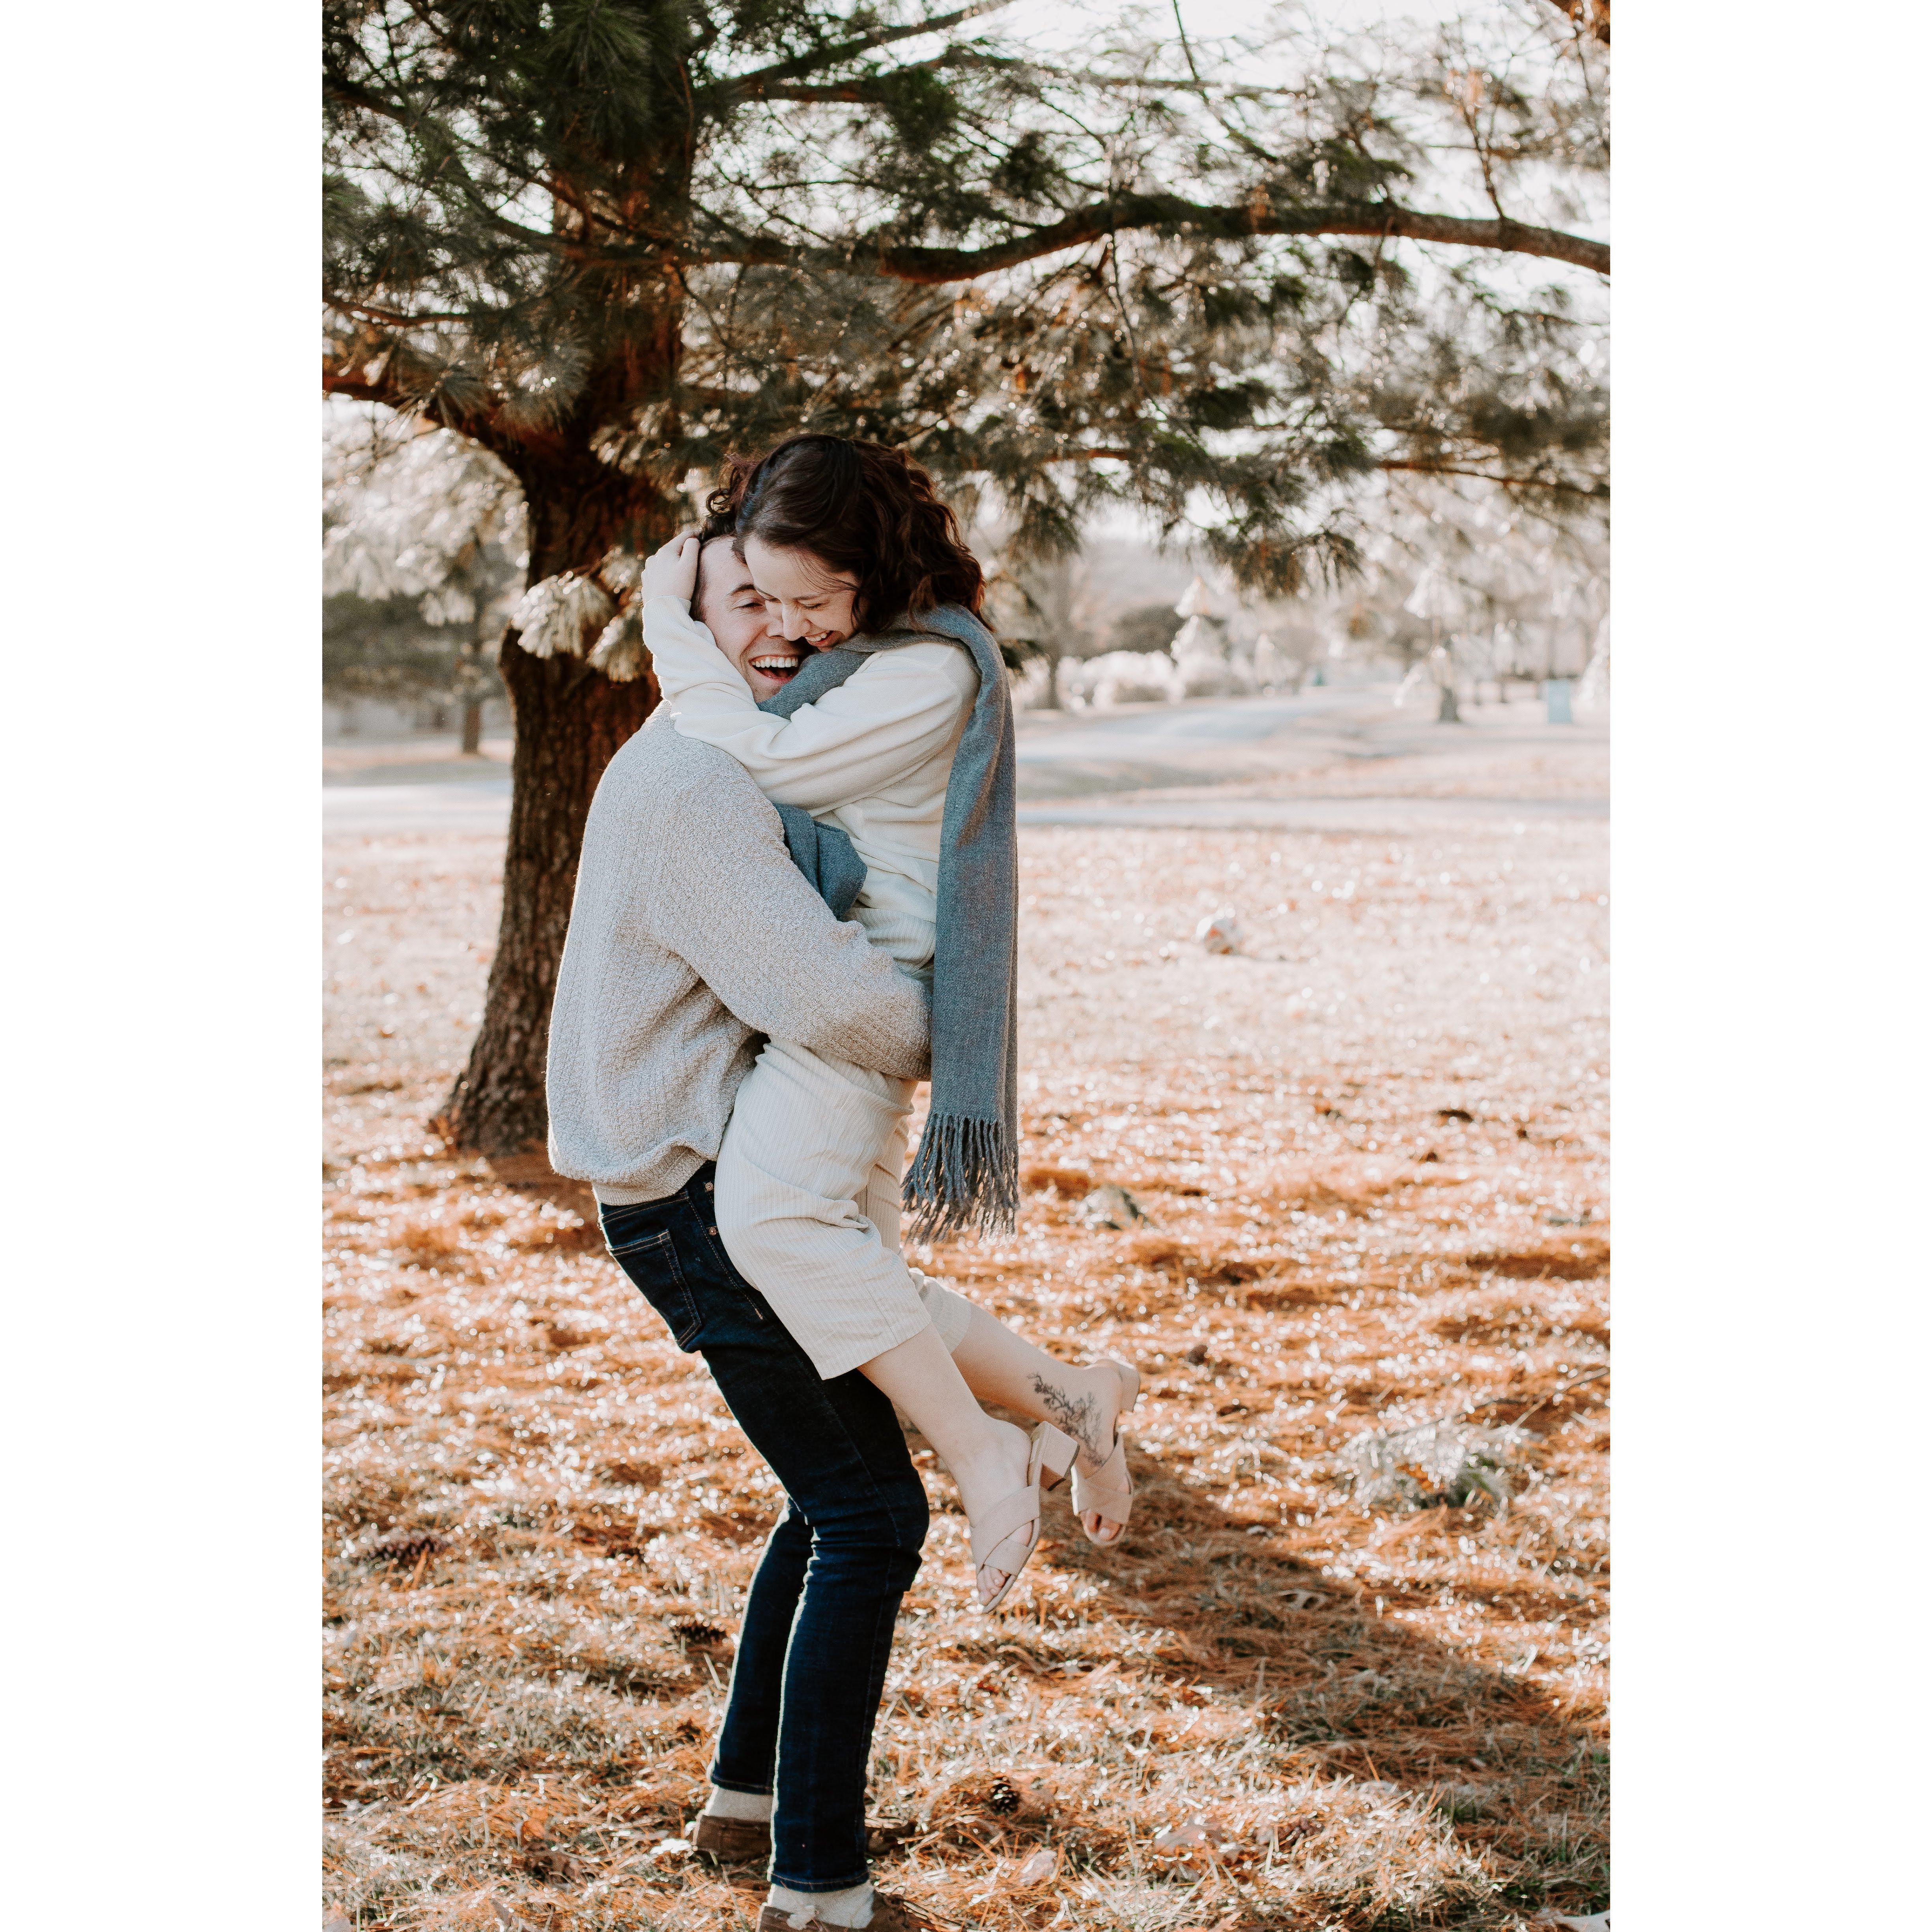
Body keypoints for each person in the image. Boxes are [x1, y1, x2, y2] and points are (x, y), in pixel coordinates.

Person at [546, 528, 1127, 1932]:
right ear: (691, 624)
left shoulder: (707, 756)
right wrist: (960, 1027)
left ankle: (750, 1803)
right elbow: (833, 1000)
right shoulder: (698, 785)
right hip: (693, 1199)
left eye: (790, 602)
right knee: (871, 1514)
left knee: (831, 1495)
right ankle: (817, 1888)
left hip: (699, 1176)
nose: (779, 630)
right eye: (740, 603)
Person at [639, 440, 1139, 1614]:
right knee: (856, 1271)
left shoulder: (925, 672)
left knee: (770, 1221)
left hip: (865, 989)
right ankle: (1074, 1395)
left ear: (868, 560)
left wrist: (668, 623)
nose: (795, 628)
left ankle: (984, 1452)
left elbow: (763, 759)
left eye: (810, 599)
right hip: (850, 974)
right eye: (769, 603)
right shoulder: (878, 653)